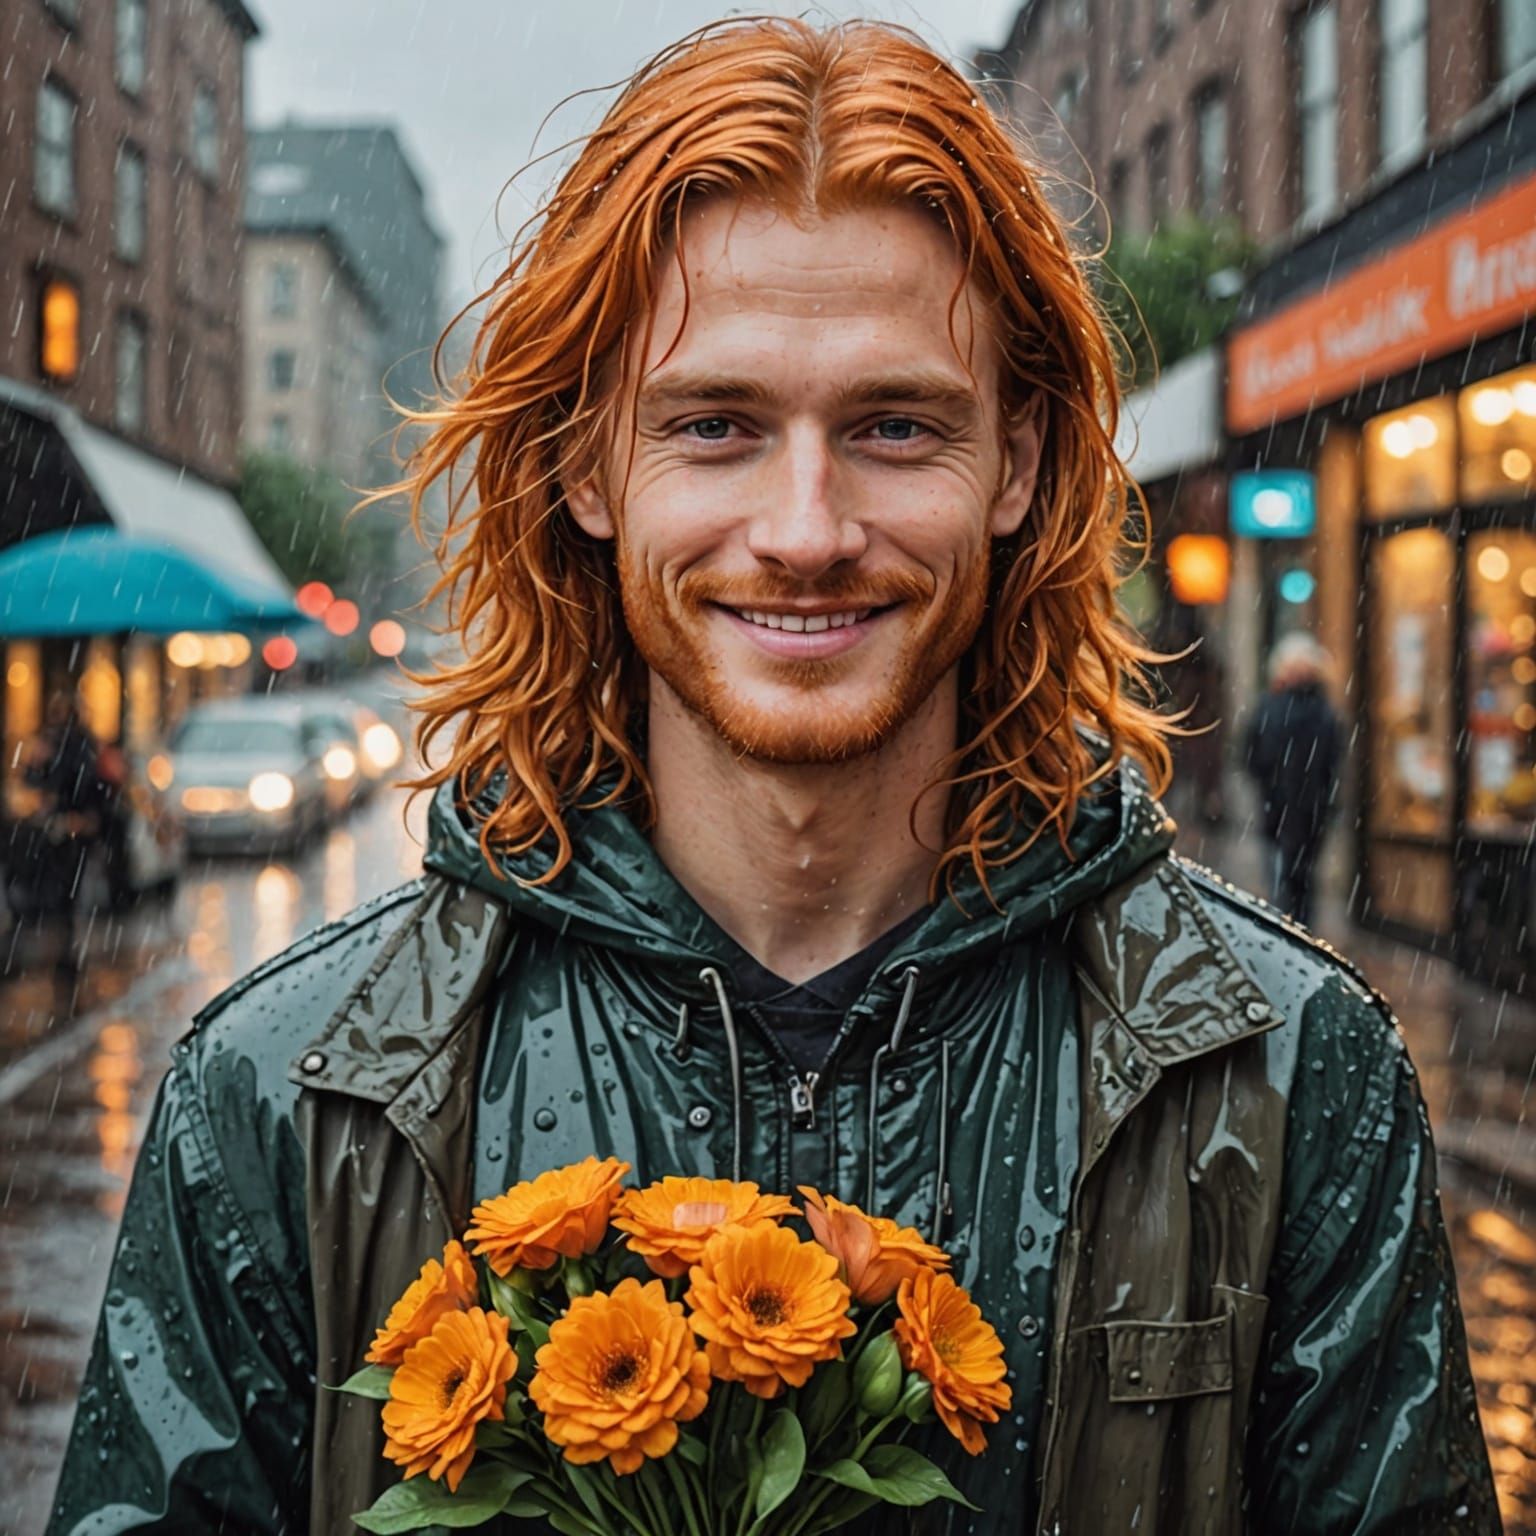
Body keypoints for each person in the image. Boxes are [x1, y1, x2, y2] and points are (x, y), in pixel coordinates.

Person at [50, 20, 1496, 1535]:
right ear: (588, 470)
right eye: (717, 426)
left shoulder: (1284, 1076)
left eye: (892, 426)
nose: (806, 529)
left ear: (1015, 465)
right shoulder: (293, 1096)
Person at [1244, 633, 1342, 927]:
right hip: (1281, 808)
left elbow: (1332, 763)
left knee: (1299, 881)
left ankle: (1296, 929)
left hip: (1307, 811)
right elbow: (1251, 753)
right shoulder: (1271, 708)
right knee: (1284, 880)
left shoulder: (1322, 712)